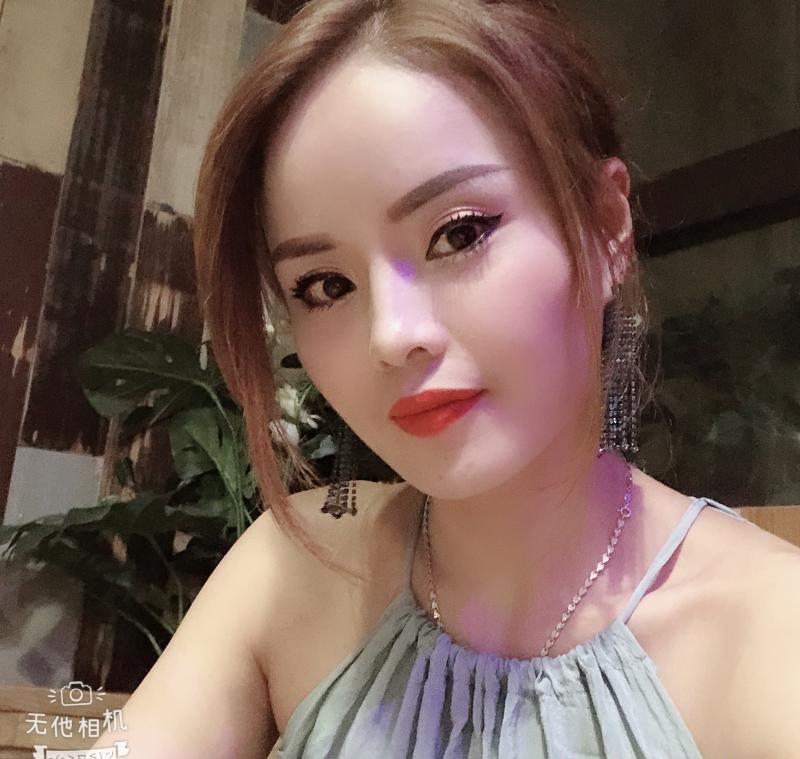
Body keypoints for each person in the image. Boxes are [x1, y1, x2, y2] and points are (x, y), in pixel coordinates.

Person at [90, 1, 800, 757]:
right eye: (326, 285)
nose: (392, 336)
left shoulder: (769, 635)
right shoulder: (294, 570)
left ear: (604, 228)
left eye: (459, 234)